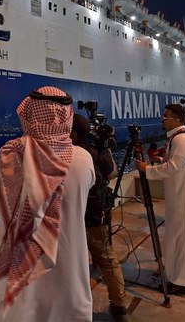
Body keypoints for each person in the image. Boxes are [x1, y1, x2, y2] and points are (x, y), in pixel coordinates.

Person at [0, 87, 95, 322]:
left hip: (17, 275)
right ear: (67, 116)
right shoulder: (84, 159)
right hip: (70, 273)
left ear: (29, 114)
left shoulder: (6, 155)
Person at [136, 104, 185, 295]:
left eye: (166, 116)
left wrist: (147, 169)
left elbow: (172, 168)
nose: (162, 119)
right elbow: (178, 164)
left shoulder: (181, 140)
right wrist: (162, 161)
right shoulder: (181, 138)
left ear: (177, 120)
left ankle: (182, 282)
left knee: (183, 238)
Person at [70, 114, 129, 321]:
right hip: (98, 210)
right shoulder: (96, 149)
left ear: (74, 133)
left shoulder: (70, 152)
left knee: (72, 260)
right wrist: (105, 148)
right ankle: (120, 305)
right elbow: (112, 173)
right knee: (107, 256)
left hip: (75, 214)